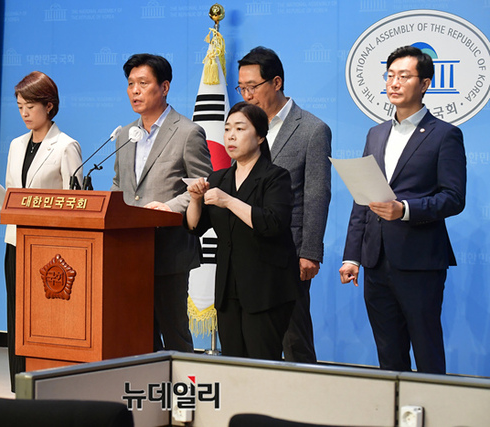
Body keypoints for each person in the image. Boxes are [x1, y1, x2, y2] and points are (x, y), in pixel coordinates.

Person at [339, 46, 466, 374]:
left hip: (420, 262)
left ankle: (434, 405)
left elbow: (453, 198)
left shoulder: (445, 135)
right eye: (390, 76)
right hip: (375, 261)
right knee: (388, 354)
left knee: (427, 351)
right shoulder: (376, 133)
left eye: (404, 76)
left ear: (424, 84)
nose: (394, 83)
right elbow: (363, 197)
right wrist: (352, 256)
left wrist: (405, 209)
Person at [0, 71, 82, 391]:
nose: (24, 113)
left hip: (51, 249)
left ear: (49, 106)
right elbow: (12, 195)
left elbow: (76, 202)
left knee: (44, 317)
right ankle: (18, 386)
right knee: (16, 315)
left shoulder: (66, 146)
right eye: (20, 106)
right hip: (16, 241)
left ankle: (46, 383)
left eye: (30, 106)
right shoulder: (16, 144)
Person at [111, 53, 212, 352]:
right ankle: (146, 382)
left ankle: (184, 383)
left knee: (174, 331)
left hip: (170, 249)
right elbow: (119, 184)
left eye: (143, 83)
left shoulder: (187, 132)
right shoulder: (125, 134)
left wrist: (169, 208)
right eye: (131, 84)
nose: (135, 91)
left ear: (164, 87)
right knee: (138, 332)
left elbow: (202, 185)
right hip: (130, 250)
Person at [236, 46, 331, 363]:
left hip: (289, 252)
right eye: (241, 88)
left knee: (294, 340)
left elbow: (317, 194)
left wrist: (310, 252)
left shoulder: (312, 130)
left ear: (276, 82)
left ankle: (303, 394)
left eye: (253, 86)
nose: (247, 95)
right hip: (248, 251)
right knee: (252, 339)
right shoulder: (243, 127)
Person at [185, 102, 298, 360]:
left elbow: (272, 223)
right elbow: (194, 226)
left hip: (266, 289)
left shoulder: (276, 177)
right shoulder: (219, 178)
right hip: (228, 289)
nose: (231, 136)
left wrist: (228, 201)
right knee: (233, 364)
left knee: (262, 363)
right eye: (227, 129)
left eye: (239, 128)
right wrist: (195, 200)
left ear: (260, 137)